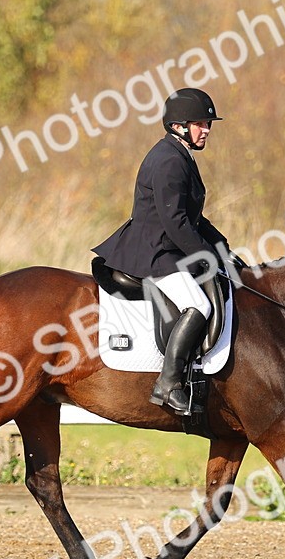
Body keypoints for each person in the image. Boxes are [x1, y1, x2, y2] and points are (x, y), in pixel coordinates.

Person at [92, 88, 232, 415]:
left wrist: (221, 245)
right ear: (179, 126)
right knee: (198, 303)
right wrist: (205, 256)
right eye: (200, 123)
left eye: (208, 123)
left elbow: (191, 216)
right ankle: (168, 383)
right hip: (156, 252)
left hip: (165, 245)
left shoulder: (178, 153)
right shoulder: (170, 160)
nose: (207, 129)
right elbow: (176, 222)